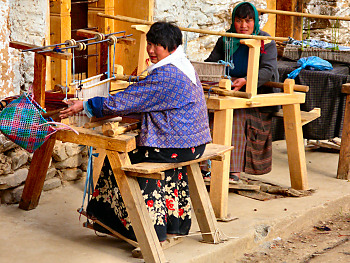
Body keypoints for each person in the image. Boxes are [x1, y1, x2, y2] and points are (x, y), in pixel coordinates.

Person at [59, 22, 211, 242]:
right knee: (146, 156)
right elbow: (144, 96)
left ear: (170, 47)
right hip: (194, 145)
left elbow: (128, 100)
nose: (151, 50)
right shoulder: (183, 65)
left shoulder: (167, 75)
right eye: (149, 44)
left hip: (176, 148)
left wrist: (87, 104)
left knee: (122, 161)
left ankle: (142, 230)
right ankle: (173, 226)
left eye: (157, 45)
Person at [205, 1, 279, 180]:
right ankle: (206, 165)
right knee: (208, 113)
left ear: (256, 22)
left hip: (256, 95)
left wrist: (246, 80)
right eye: (239, 20)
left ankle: (233, 171)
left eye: (248, 21)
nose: (243, 26)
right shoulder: (226, 39)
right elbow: (211, 62)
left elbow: (268, 70)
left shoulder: (265, 41)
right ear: (233, 21)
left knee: (235, 115)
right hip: (229, 91)